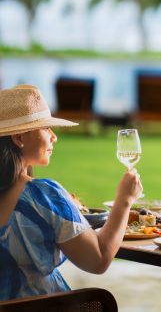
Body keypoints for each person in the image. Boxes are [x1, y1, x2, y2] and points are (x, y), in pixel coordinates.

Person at [0, 84, 143, 300]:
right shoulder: (44, 195)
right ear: (19, 138)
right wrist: (124, 200)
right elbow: (99, 259)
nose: (54, 137)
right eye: (45, 128)